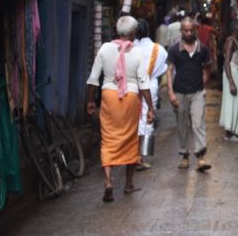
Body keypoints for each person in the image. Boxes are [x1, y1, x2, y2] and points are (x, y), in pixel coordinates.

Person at [86, 15, 155, 202]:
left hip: (109, 97)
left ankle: (108, 181)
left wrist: (91, 100)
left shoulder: (105, 49)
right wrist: (150, 108)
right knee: (130, 138)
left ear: (117, 31)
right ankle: (128, 184)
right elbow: (144, 83)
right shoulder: (138, 53)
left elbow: (93, 79)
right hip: (130, 98)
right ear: (133, 34)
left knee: (108, 138)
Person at [166, 16, 212, 172]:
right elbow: (170, 71)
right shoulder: (174, 49)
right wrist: (171, 93)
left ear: (195, 30)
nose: (188, 33)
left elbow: (207, 69)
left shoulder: (203, 49)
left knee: (198, 123)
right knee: (182, 124)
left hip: (197, 92)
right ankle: (184, 155)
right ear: (181, 31)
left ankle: (201, 157)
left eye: (191, 30)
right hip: (179, 92)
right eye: (185, 30)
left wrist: (202, 83)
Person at [134, 18, 168, 170]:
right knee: (147, 118)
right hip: (150, 85)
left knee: (131, 118)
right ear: (149, 31)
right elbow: (164, 69)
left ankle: (131, 155)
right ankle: (140, 156)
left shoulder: (130, 47)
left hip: (132, 87)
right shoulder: (158, 49)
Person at [219, 21, 238, 142]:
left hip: (236, 74)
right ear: (236, 29)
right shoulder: (231, 41)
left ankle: (233, 132)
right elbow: (226, 62)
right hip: (232, 73)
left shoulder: (237, 41)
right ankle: (230, 133)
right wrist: (231, 81)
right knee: (232, 103)